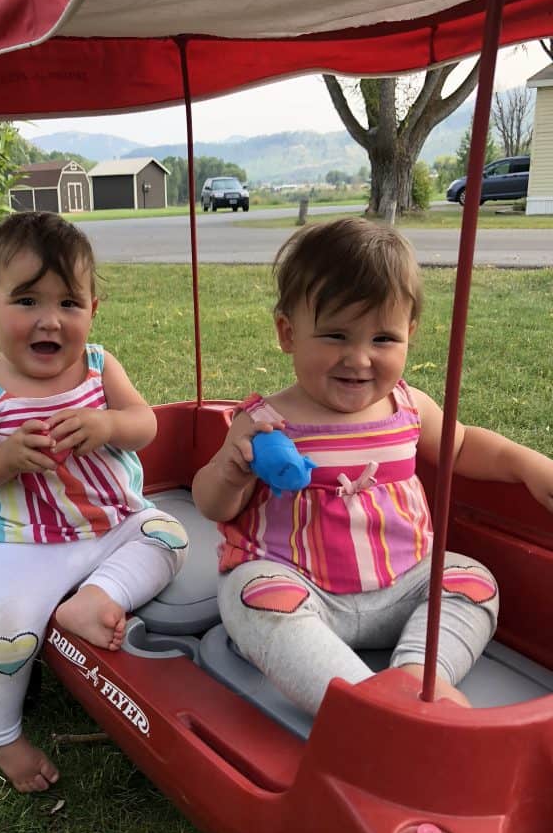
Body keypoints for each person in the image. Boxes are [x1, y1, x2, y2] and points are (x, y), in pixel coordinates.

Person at [192, 217, 553, 717]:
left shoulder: (409, 406)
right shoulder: (263, 422)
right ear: (288, 333)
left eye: (382, 339)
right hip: (297, 584)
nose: (359, 359)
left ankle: (418, 673)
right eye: (336, 335)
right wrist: (233, 471)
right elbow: (211, 502)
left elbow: (463, 445)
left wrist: (527, 465)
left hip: (405, 582)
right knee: (253, 602)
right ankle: (364, 704)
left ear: (410, 333)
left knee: (474, 582)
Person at [0, 211, 187, 792]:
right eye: (26, 301)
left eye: (69, 304)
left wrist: (107, 425)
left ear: (92, 311)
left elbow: (144, 424)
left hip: (111, 523)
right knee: (6, 640)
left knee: (170, 536)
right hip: (23, 543)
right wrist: (4, 458)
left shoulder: (99, 367)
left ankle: (95, 600)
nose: (49, 320)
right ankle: (3, 738)